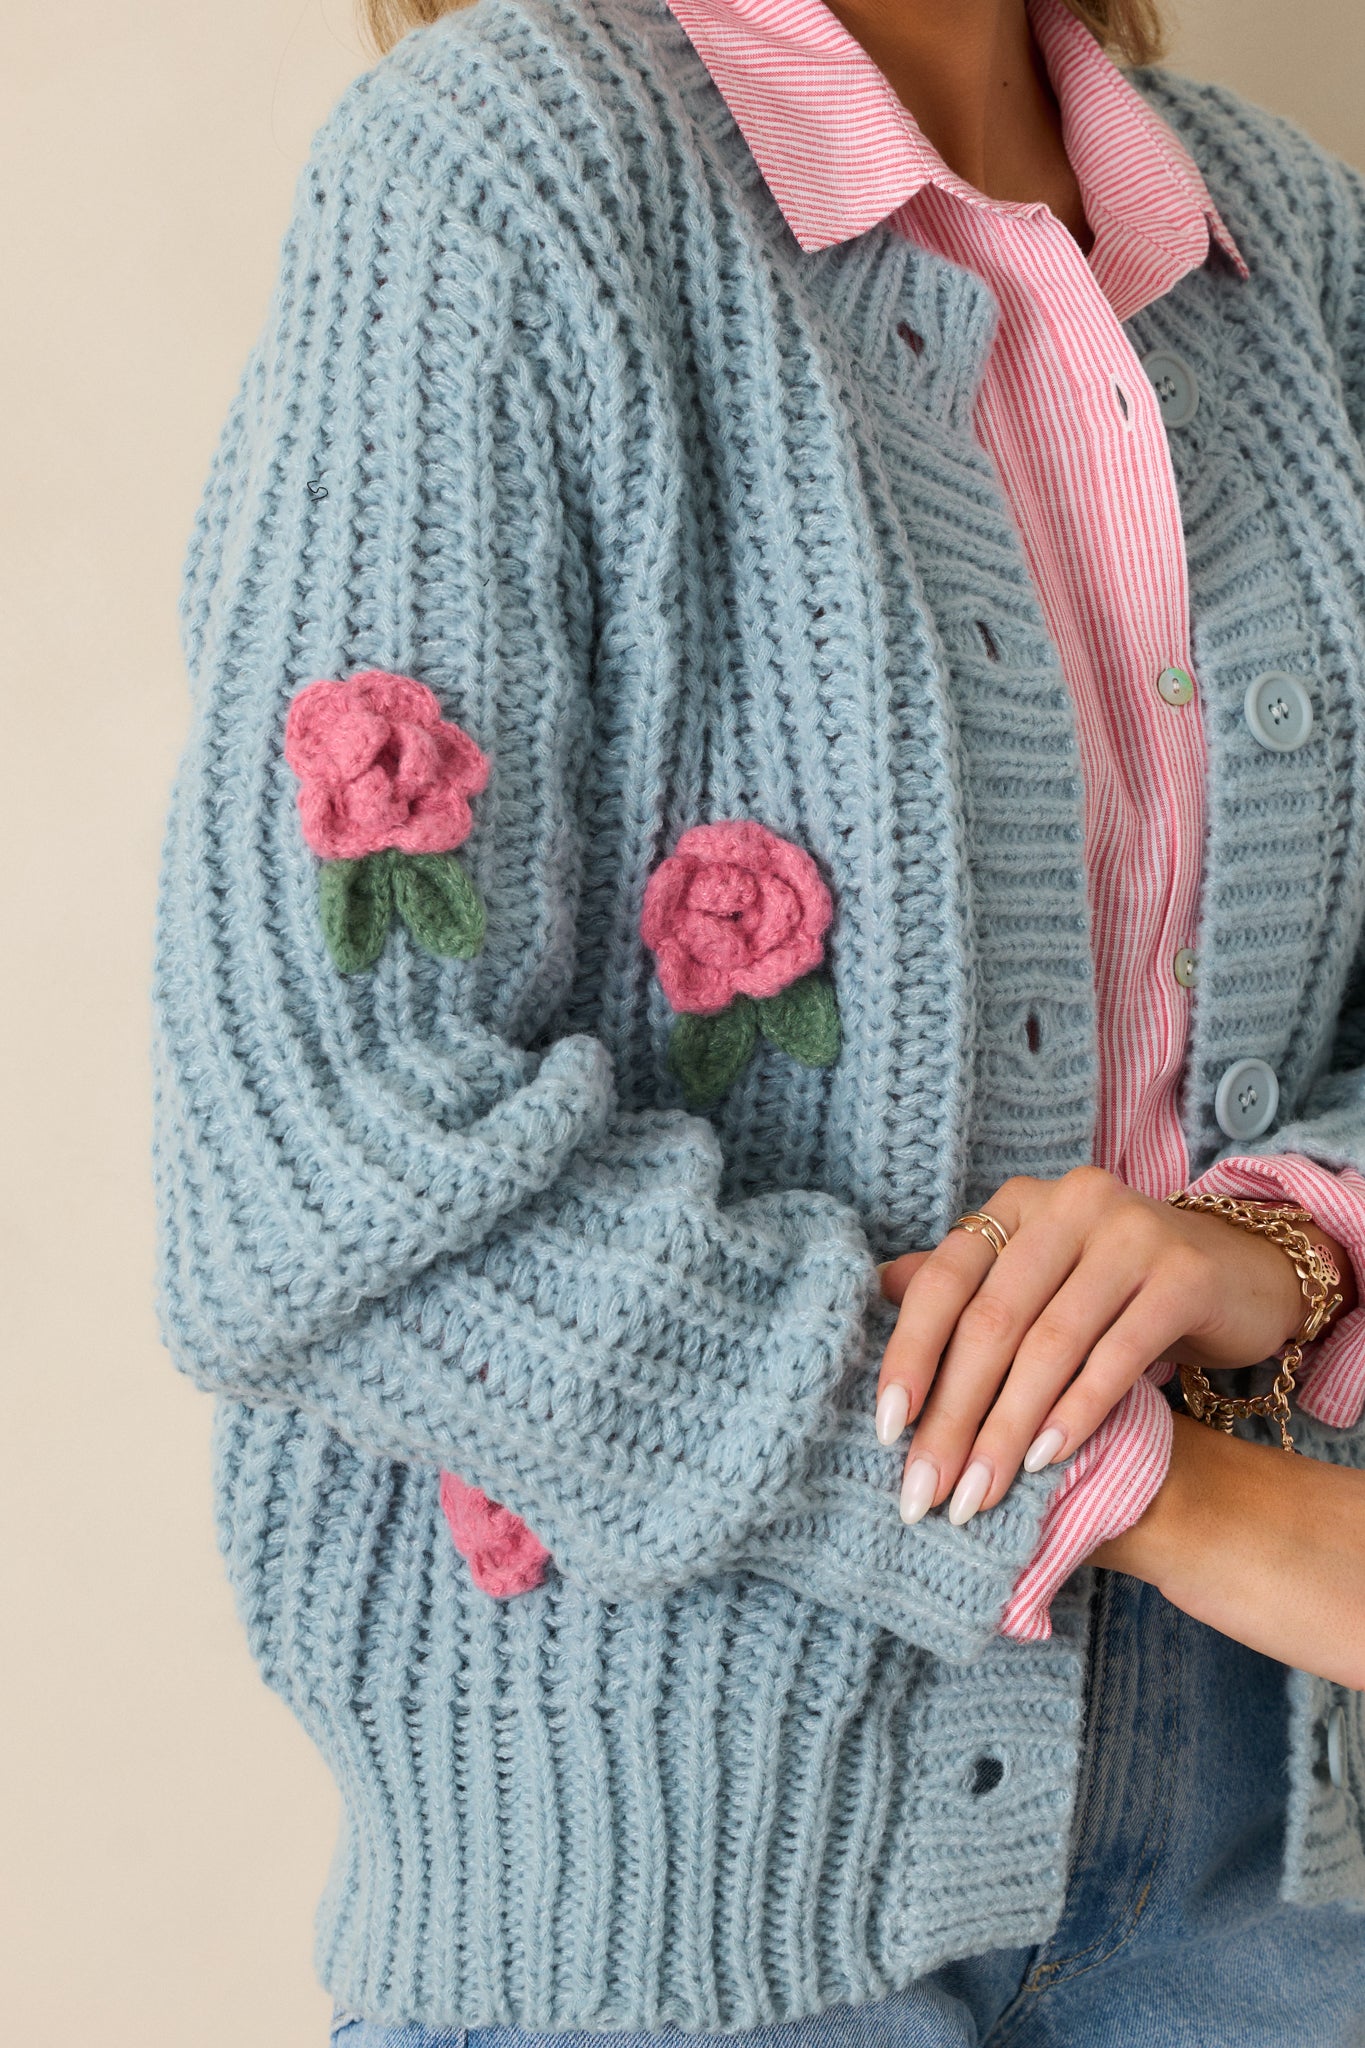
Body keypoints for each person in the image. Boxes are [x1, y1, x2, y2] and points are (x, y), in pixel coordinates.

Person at [149, 0, 1365, 2039]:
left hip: (1265, 1856)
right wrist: (1164, 1495)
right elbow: (329, 1160)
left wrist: (1268, 1243)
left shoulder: (1290, 249)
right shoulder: (504, 182)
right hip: (667, 1889)